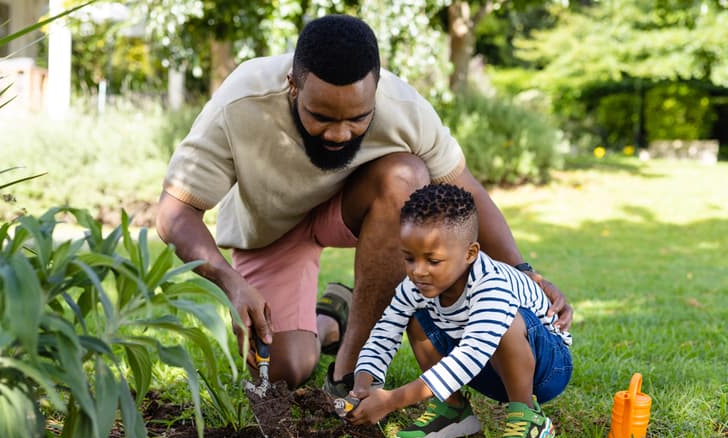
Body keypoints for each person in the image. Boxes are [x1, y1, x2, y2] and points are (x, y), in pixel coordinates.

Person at [155, 14, 572, 391]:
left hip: (354, 210)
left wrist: (524, 272)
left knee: (407, 176)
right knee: (286, 370)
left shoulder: (404, 107)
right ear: (292, 86)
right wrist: (231, 283)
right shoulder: (240, 102)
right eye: (321, 116)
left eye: (357, 118)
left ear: (374, 91)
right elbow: (175, 213)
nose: (339, 134)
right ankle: (330, 318)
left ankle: (349, 371)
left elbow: (469, 195)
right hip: (270, 231)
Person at [345, 183, 572, 438]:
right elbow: (384, 333)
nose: (418, 271)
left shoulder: (492, 285)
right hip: (486, 367)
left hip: (545, 369)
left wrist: (392, 400)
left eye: (433, 260)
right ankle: (453, 409)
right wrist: (363, 384)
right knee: (416, 317)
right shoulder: (414, 287)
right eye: (409, 258)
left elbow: (470, 355)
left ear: (470, 253)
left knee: (506, 322)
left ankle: (526, 416)